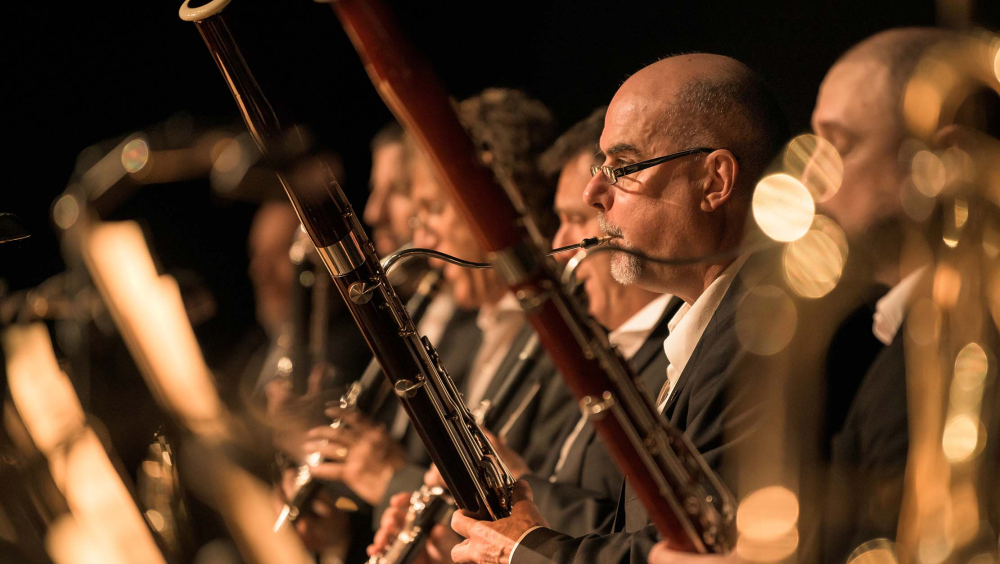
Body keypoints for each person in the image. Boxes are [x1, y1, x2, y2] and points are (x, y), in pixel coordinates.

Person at [447, 53, 793, 564]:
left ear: (714, 182)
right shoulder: (716, 328)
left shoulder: (761, 338)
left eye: (624, 166)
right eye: (600, 167)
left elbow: (688, 555)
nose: (593, 192)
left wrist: (527, 550)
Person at [367, 106, 684, 563]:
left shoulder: (652, 353)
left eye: (434, 208)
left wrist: (518, 488)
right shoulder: (595, 349)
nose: (556, 248)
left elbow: (628, 534)